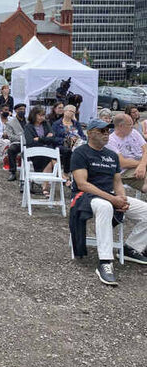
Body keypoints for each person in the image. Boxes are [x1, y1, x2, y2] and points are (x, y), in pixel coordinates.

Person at [70, 118, 147, 286]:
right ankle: (105, 261)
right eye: (102, 131)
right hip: (86, 196)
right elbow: (82, 184)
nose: (107, 134)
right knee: (105, 207)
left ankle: (131, 247)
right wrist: (112, 199)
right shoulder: (81, 153)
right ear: (90, 133)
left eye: (108, 131)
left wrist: (122, 198)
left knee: (145, 210)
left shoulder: (111, 155)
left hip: (110, 195)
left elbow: (117, 181)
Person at [106, 113, 147, 194]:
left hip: (142, 163)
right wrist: (142, 164)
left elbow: (146, 149)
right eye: (130, 124)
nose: (132, 126)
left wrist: (142, 165)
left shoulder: (134, 132)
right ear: (121, 126)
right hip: (126, 171)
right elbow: (122, 163)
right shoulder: (110, 141)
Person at [25, 106, 58, 197]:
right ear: (34, 115)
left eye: (43, 115)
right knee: (51, 159)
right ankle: (61, 176)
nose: (42, 118)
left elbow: (53, 138)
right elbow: (30, 142)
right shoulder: (28, 126)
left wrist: (39, 139)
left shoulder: (46, 124)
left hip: (47, 150)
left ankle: (45, 188)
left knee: (49, 158)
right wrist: (45, 139)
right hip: (34, 152)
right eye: (40, 115)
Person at [52, 104, 86, 179]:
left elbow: (83, 136)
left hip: (76, 145)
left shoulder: (76, 124)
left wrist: (78, 138)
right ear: (64, 111)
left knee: (82, 151)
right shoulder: (57, 124)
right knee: (68, 151)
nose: (72, 113)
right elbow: (53, 138)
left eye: (74, 112)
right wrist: (66, 140)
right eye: (70, 111)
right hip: (62, 145)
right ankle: (66, 173)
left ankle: (81, 174)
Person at [4, 103, 28, 180]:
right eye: (20, 109)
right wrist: (21, 138)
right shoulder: (10, 123)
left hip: (29, 142)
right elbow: (11, 136)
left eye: (24, 109)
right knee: (11, 150)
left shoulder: (29, 121)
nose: (22, 111)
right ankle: (13, 172)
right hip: (18, 143)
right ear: (16, 110)